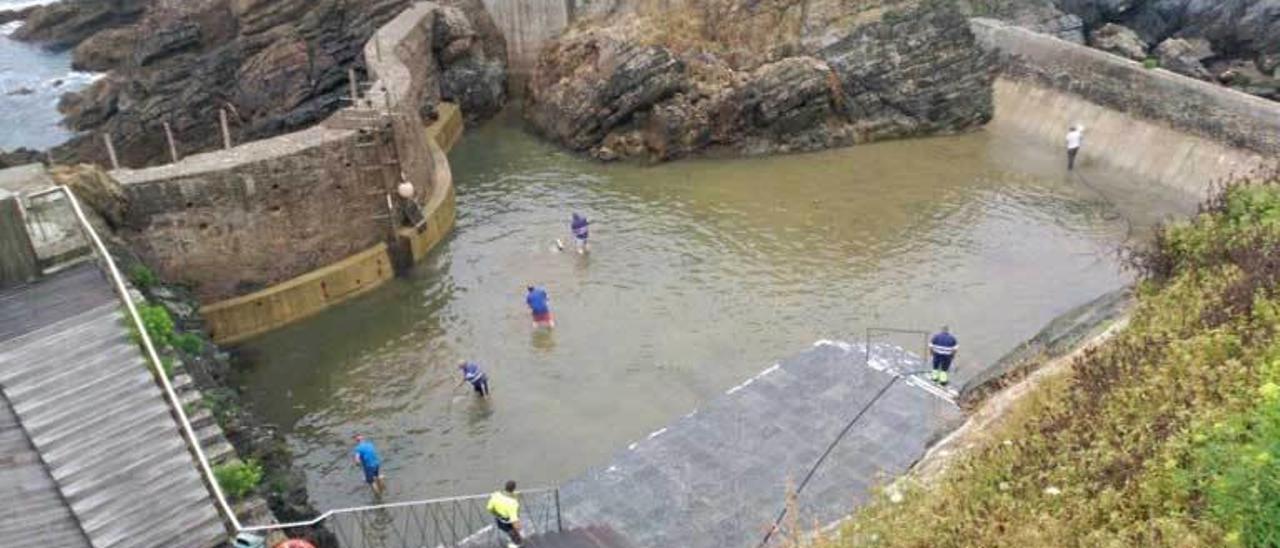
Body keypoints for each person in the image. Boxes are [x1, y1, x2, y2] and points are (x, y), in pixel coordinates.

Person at [487, 480, 523, 547]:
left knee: (508, 532)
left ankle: (510, 537)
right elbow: (514, 520)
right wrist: (518, 528)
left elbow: (489, 508)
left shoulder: (496, 495)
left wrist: (496, 513)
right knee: (517, 540)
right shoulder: (513, 503)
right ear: (514, 488)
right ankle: (513, 544)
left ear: (505, 487)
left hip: (499, 520)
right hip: (508, 524)